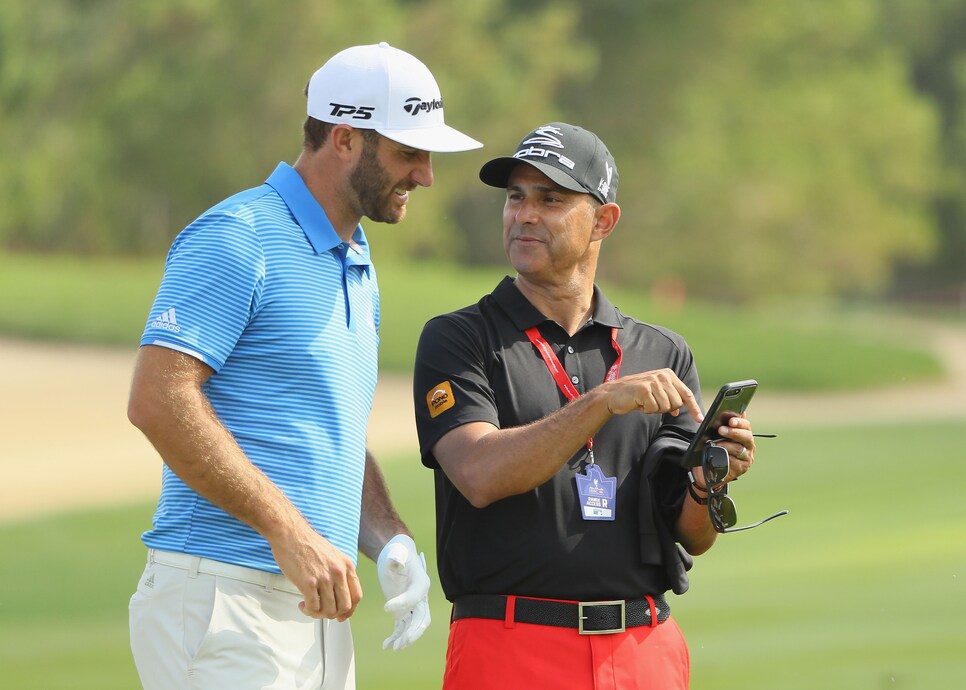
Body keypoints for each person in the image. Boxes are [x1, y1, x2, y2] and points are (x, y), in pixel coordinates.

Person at [127, 42, 481, 690]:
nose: (426, 175)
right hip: (223, 598)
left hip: (314, 606)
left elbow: (329, 432)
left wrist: (388, 538)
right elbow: (157, 398)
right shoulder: (238, 235)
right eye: (409, 153)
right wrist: (287, 529)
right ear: (346, 138)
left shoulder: (357, 260)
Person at [412, 123, 761, 689]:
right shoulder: (460, 338)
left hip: (643, 647)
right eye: (516, 197)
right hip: (508, 647)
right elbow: (478, 473)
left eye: (550, 199)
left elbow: (692, 534)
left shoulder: (662, 353)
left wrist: (709, 478)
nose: (525, 214)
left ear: (604, 220)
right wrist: (600, 403)